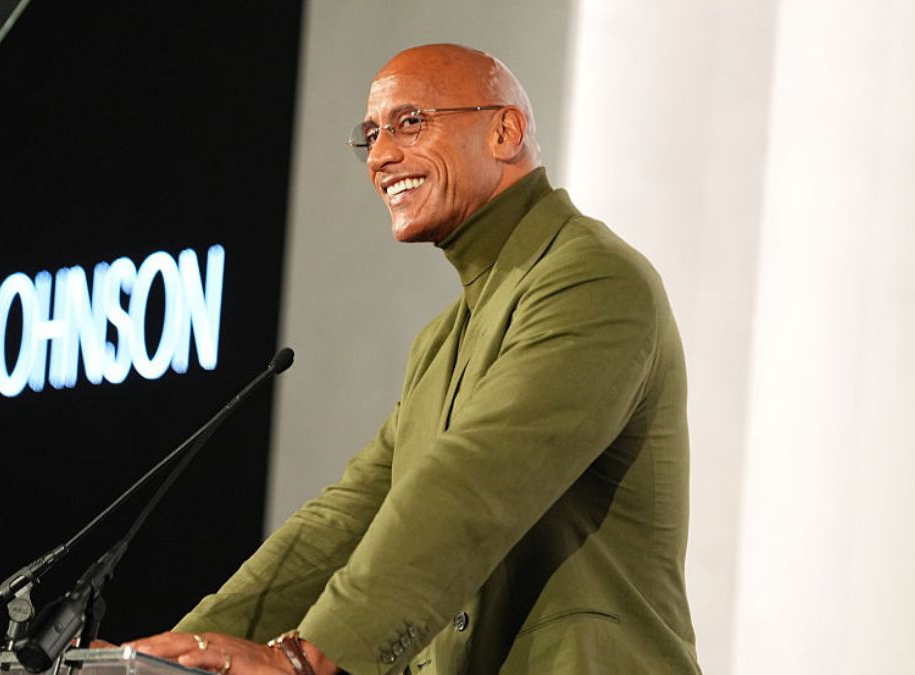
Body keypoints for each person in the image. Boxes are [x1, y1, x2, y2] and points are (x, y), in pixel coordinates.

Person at [116, 43, 701, 674]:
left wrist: (311, 658)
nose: (382, 156)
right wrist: (169, 655)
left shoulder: (592, 279)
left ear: (505, 131)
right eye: (370, 134)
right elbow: (347, 517)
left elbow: (476, 481)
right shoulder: (443, 339)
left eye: (410, 123)